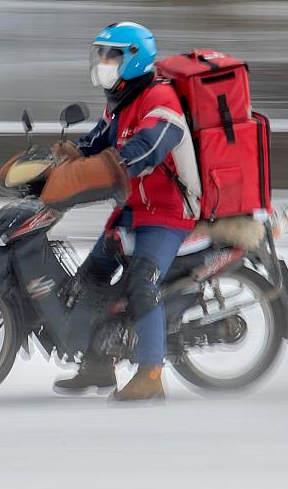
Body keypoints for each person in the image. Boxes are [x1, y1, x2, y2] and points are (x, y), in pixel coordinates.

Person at [40, 22, 201, 402]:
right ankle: (98, 365)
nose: (103, 61)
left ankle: (151, 373)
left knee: (142, 281)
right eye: (100, 54)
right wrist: (67, 158)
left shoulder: (161, 102)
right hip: (133, 209)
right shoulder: (122, 101)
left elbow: (147, 149)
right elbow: (99, 140)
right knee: (91, 276)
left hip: (168, 212)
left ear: (133, 58)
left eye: (110, 54)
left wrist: (107, 167)